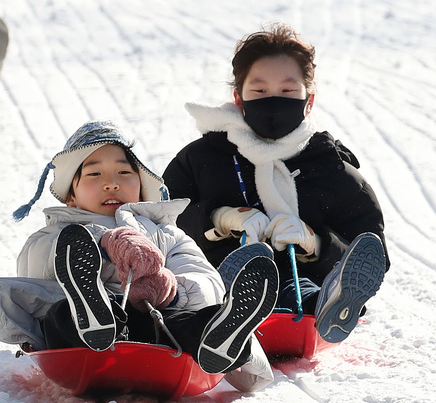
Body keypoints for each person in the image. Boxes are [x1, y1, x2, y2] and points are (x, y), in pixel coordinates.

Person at [0, 121, 277, 384]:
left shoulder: (165, 233)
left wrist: (172, 291)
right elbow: (34, 266)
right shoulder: (58, 232)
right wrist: (102, 247)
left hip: (161, 327)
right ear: (71, 197)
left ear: (141, 188)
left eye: (124, 172)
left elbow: (205, 278)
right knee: (62, 314)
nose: (111, 182)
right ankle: (95, 314)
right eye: (94, 173)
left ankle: (219, 339)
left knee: (200, 318)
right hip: (91, 337)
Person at [162, 24, 388, 344]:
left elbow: (369, 251)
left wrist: (315, 242)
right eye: (259, 90)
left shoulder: (333, 170)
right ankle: (226, 316)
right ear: (238, 97)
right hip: (212, 280)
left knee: (304, 289)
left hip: (297, 285)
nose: (273, 102)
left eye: (287, 91)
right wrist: (218, 218)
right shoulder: (200, 159)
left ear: (309, 99)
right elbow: (159, 225)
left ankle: (329, 308)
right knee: (196, 293)